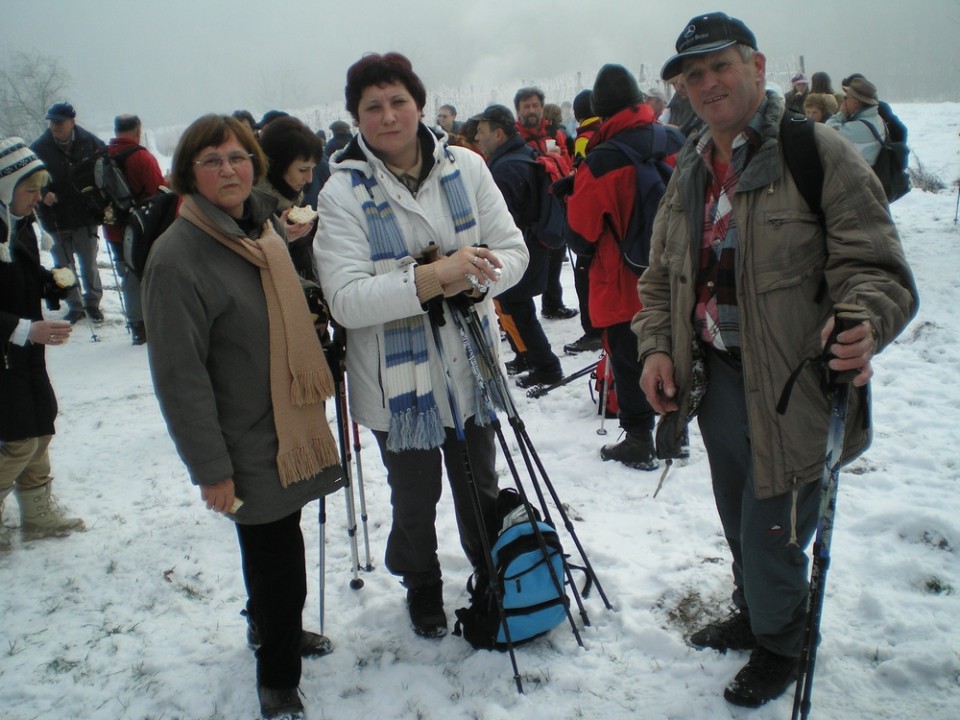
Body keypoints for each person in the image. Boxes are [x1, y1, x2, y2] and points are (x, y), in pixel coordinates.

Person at [636, 12, 918, 708]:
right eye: (693, 74)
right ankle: (755, 611)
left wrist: (861, 321)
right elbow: (659, 277)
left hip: (794, 388)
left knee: (773, 533)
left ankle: (783, 643)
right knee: (739, 519)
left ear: (757, 68)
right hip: (717, 381)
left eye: (719, 66)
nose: (706, 83)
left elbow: (878, 268)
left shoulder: (814, 152)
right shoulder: (692, 168)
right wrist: (655, 349)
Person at [314, 52, 528, 640]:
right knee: (415, 496)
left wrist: (478, 273)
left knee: (478, 485)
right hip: (395, 384)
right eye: (373, 107)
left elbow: (514, 251)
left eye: (398, 101)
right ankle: (422, 583)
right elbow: (347, 299)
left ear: (419, 104)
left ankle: (491, 572)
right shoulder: (342, 194)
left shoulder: (467, 167)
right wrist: (436, 277)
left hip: (470, 365)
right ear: (356, 117)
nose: (388, 116)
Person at [141, 114, 344, 720]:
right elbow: (179, 378)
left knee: (276, 551)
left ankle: (269, 629)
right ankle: (278, 676)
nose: (228, 169)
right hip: (243, 440)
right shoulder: (177, 259)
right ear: (187, 175)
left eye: (237, 157)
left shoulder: (259, 227)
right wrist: (211, 469)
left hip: (287, 424)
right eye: (211, 160)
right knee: (279, 560)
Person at [565, 65, 685, 470]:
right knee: (676, 345)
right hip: (678, 271)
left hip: (622, 280)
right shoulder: (675, 139)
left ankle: (638, 438)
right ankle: (677, 429)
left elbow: (581, 232)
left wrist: (573, 191)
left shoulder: (601, 160)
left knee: (630, 357)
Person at [1, 137, 85, 549]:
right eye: (29, 189)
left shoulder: (22, 227)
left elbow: (22, 279)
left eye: (39, 188)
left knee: (41, 426)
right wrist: (22, 329)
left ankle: (37, 513)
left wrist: (50, 282)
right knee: (17, 439)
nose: (38, 198)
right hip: (6, 352)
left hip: (28, 349)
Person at [474, 104, 564, 389]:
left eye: (481, 131)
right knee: (515, 306)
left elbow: (503, 218)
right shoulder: (520, 155)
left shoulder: (506, 167)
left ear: (498, 133)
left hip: (519, 249)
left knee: (518, 308)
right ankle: (526, 356)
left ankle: (547, 367)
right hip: (532, 244)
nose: (477, 137)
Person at [30, 102, 106, 325]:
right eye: (52, 122)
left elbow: (105, 167)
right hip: (55, 217)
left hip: (85, 214)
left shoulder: (91, 142)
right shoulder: (39, 148)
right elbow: (30, 178)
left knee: (88, 263)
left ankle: (92, 303)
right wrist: (43, 193)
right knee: (63, 266)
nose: (54, 126)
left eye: (59, 122)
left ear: (72, 122)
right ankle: (74, 305)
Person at [512, 86, 577, 322]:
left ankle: (552, 304)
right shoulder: (514, 137)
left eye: (536, 105)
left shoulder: (555, 134)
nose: (532, 110)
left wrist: (559, 158)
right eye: (526, 106)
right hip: (528, 208)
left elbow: (568, 165)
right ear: (518, 110)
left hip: (554, 204)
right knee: (525, 262)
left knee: (555, 254)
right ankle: (521, 313)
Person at [102, 114, 166, 345]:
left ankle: (136, 324)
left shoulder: (103, 156)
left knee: (128, 274)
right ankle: (150, 320)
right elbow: (158, 189)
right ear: (138, 131)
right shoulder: (141, 157)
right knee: (148, 272)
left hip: (113, 229)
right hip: (142, 228)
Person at [256, 116, 325, 281]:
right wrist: (277, 239)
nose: (309, 179)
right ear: (277, 166)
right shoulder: (249, 210)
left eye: (312, 169)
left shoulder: (296, 202)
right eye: (303, 170)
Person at [563, 89, 604, 356]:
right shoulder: (606, 130)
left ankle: (594, 332)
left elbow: (583, 175)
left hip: (593, 218)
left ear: (578, 115)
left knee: (584, 275)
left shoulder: (584, 139)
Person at [826, 77, 886, 165]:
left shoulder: (861, 127)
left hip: (861, 177)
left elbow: (827, 131)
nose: (844, 101)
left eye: (846, 97)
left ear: (855, 103)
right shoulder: (876, 118)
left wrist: (841, 113)